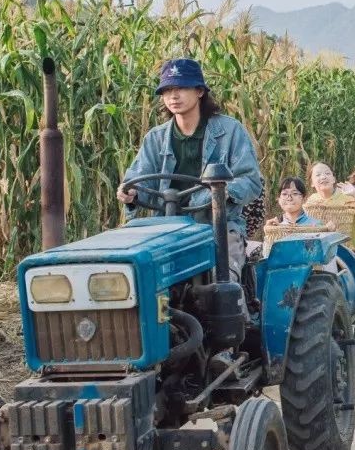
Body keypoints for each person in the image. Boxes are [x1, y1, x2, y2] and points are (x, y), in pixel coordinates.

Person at [118, 58, 262, 284]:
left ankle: (238, 317)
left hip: (218, 228)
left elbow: (251, 181)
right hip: (166, 229)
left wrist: (224, 192)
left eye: (181, 88)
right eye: (167, 90)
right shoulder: (155, 138)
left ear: (199, 91)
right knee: (132, 277)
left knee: (223, 281)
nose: (173, 96)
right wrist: (132, 194)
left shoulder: (230, 131)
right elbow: (138, 181)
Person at [303, 161, 355, 256]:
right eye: (318, 175)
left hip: (353, 255)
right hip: (324, 255)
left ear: (333, 179)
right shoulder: (311, 202)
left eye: (327, 173)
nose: (323, 177)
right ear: (312, 182)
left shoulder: (349, 196)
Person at [266, 177, 332, 227]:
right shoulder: (274, 225)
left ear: (304, 198)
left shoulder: (315, 225)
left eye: (294, 193)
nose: (289, 198)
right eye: (284, 194)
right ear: (278, 199)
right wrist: (270, 233)